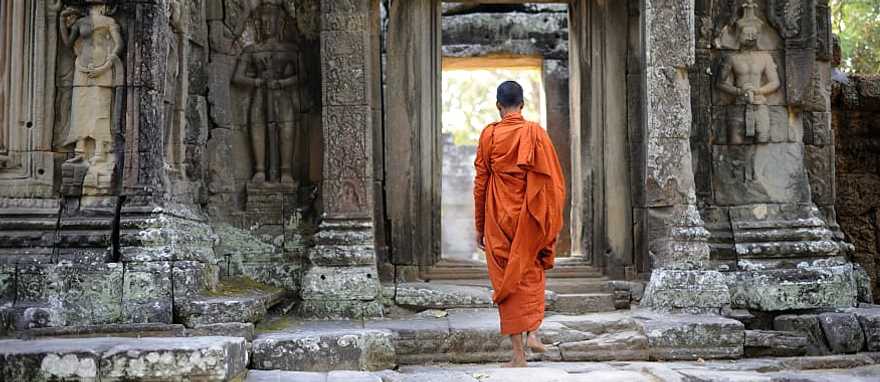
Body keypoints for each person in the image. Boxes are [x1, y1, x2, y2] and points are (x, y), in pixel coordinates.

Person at [473, 81, 566, 368]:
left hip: (499, 217)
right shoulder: (535, 133)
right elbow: (553, 183)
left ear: (498, 106)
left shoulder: (489, 135)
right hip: (530, 216)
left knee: (507, 279)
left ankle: (518, 356)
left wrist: (479, 225)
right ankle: (534, 332)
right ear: (522, 105)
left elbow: (481, 182)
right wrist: (548, 220)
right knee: (531, 269)